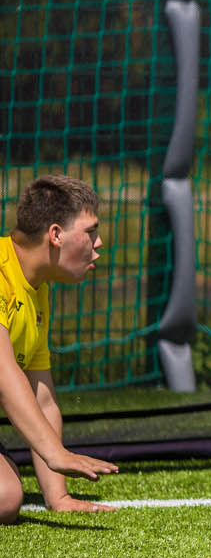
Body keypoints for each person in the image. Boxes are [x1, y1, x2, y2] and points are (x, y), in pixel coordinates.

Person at [0, 175, 119, 523]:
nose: (99, 243)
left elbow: (43, 398)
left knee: (5, 497)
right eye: (91, 231)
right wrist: (55, 453)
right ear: (56, 235)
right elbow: (5, 374)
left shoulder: (37, 288)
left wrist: (59, 496)